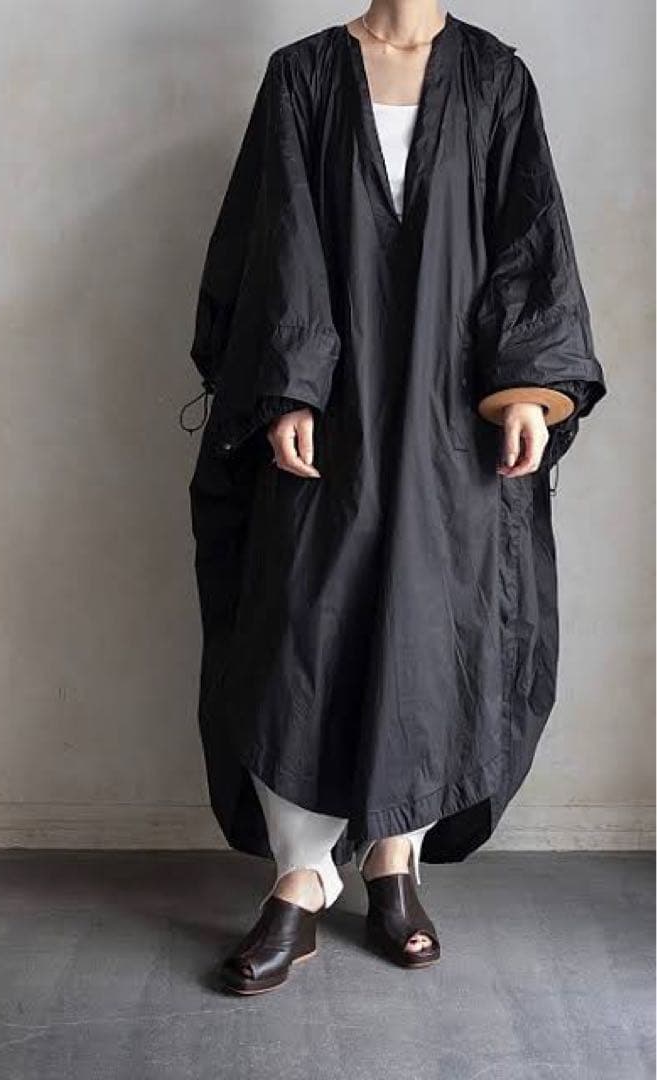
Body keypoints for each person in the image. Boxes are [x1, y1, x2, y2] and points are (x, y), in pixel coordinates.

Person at [182, 1, 607, 994]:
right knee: (302, 625)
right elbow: (277, 236)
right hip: (329, 407)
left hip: (451, 413)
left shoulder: (494, 78)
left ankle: (392, 864)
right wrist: (290, 385)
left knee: (428, 626)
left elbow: (527, 239)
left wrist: (527, 389)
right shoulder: (301, 75)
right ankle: (298, 880)